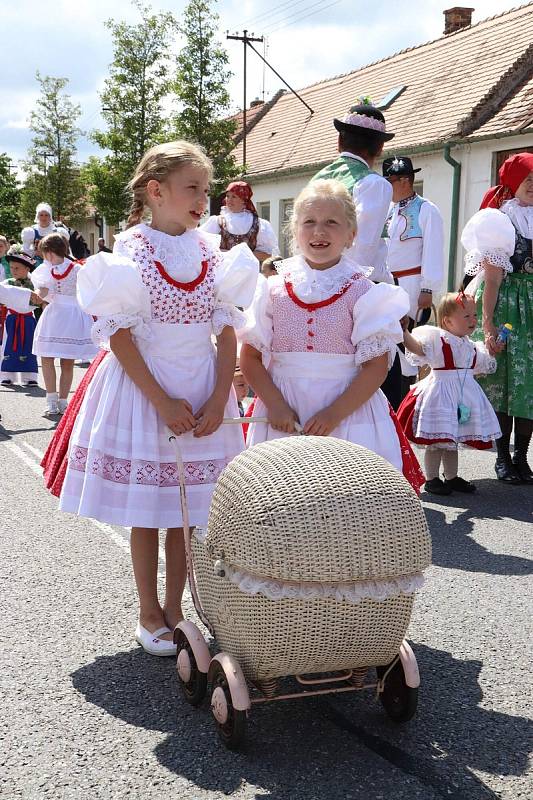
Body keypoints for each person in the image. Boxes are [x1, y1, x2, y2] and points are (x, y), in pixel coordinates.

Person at [57, 141, 258, 656]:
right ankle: (149, 611)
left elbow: (227, 330)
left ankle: (178, 609)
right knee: (149, 509)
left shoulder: (213, 253)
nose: (203, 199)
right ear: (156, 191)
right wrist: (162, 401)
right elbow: (119, 335)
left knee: (189, 512)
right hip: (146, 389)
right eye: (193, 188)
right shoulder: (128, 251)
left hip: (199, 385)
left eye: (206, 190)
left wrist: (219, 398)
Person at [238, 179, 424, 493]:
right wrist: (276, 405)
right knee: (283, 501)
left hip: (347, 413)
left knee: (346, 505)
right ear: (294, 231)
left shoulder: (363, 291)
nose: (319, 232)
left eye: (331, 223)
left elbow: (376, 366)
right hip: (283, 410)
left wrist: (333, 413)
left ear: (351, 234)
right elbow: (251, 356)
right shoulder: (271, 289)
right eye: (308, 222)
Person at [461, 152, 533, 484]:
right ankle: (503, 457)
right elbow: (491, 279)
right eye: (527, 179)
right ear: (513, 183)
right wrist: (487, 323)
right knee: (504, 382)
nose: (532, 186)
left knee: (529, 385)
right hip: (507, 308)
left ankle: (522, 457)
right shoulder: (499, 221)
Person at [396, 292, 501, 495]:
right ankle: (432, 478)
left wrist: (492, 351)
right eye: (466, 316)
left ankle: (451, 477)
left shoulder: (472, 346)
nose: (473, 321)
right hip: (441, 395)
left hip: (463, 396)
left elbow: (483, 365)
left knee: (452, 441)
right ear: (447, 321)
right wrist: (405, 333)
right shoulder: (438, 340)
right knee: (437, 441)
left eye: (474, 315)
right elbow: (418, 349)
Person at [382, 155, 445, 407]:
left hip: (412, 282)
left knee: (409, 342)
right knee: (389, 341)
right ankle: (393, 400)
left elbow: (433, 249)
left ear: (405, 180)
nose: (388, 187)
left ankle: (408, 404)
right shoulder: (389, 210)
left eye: (391, 181)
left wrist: (428, 287)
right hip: (388, 283)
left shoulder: (426, 209)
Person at [311, 100, 395, 283]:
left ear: (339, 141)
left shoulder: (317, 178)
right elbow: (362, 246)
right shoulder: (374, 184)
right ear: (380, 148)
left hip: (313, 278)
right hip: (353, 284)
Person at [31, 233, 97, 417]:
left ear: (50, 253)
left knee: (64, 360)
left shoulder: (77, 268)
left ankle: (60, 401)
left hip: (67, 314)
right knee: (50, 357)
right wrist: (38, 294)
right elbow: (44, 288)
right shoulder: (48, 269)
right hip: (61, 314)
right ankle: (54, 400)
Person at [200, 180, 279, 263]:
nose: (229, 200)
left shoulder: (259, 224)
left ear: (243, 199)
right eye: (227, 196)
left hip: (249, 273)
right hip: (223, 272)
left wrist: (239, 255)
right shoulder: (217, 222)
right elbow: (203, 247)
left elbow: (268, 254)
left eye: (234, 196)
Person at [0, 249, 39, 386]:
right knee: (8, 344)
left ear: (27, 268)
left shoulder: (35, 284)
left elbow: (40, 299)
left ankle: (30, 376)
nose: (13, 270)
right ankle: (7, 374)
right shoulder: (6, 284)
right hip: (12, 317)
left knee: (29, 345)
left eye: (17, 268)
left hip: (29, 318)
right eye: (11, 267)